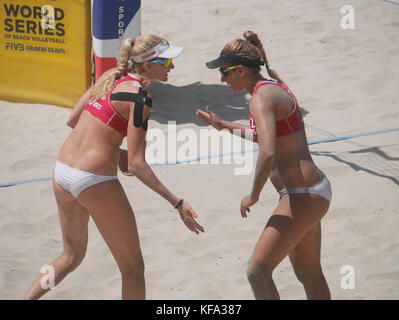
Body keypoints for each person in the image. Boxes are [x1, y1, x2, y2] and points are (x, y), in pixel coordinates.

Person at [25, 34, 204, 300]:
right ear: (146, 66)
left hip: (62, 172)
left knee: (70, 256)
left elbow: (73, 120)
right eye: (166, 61)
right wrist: (177, 202)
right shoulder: (141, 98)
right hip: (92, 181)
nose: (171, 67)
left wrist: (114, 150)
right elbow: (137, 164)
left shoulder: (110, 74)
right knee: (133, 269)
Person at [196, 31, 331, 300]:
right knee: (309, 274)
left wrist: (254, 195)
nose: (221, 79)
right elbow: (265, 135)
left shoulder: (260, 98)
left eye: (224, 72)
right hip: (311, 191)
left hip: (301, 194)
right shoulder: (271, 88)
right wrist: (224, 126)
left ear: (241, 70)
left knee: (257, 271)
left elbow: (267, 153)